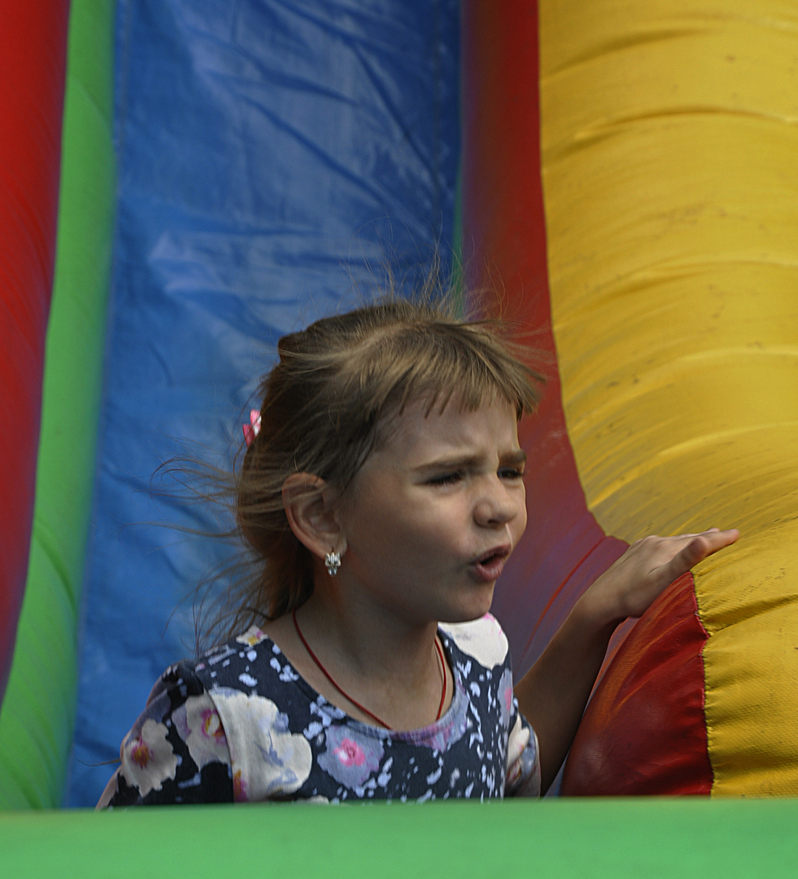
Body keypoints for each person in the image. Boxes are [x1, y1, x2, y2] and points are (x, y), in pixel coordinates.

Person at [97, 298, 738, 807]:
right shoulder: (223, 716)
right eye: (447, 477)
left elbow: (502, 777)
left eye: (509, 471)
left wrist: (594, 616)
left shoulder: (477, 651)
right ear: (321, 517)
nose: (498, 506)